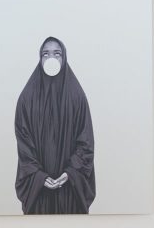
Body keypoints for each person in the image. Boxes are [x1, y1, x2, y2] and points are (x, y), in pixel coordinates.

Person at [14, 36, 96, 214]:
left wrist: (70, 173)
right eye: (46, 54)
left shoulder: (77, 97)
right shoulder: (27, 98)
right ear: (40, 58)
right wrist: (39, 177)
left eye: (57, 53)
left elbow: (86, 141)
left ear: (64, 57)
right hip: (38, 193)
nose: (51, 58)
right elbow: (24, 143)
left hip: (70, 191)